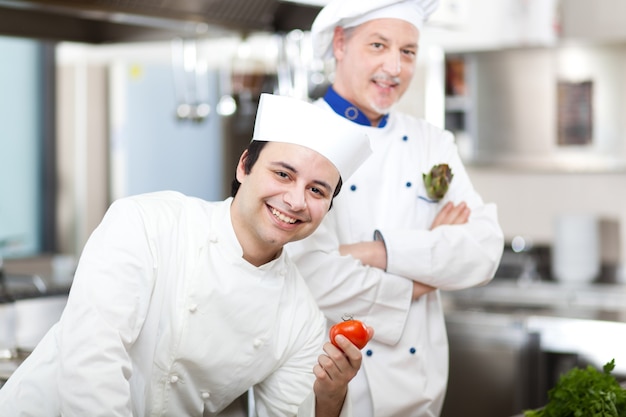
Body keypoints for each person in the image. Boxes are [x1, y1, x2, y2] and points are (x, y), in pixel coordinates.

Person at [0, 93, 374, 417]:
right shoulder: (146, 224)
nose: (295, 200)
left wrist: (331, 394)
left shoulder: (301, 319)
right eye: (282, 175)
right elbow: (91, 363)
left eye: (317, 191)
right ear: (244, 166)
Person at [285, 1, 505, 416]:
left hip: (420, 391)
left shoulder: (431, 142)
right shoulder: (298, 136)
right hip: (325, 389)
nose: (394, 67)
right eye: (378, 45)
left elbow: (484, 250)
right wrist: (426, 275)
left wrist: (374, 252)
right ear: (340, 44)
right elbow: (309, 276)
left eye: (407, 52)